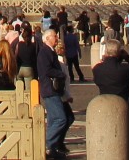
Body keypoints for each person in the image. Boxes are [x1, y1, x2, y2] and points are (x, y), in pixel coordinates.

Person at [36, 28, 73, 160]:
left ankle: (52, 149)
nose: (56, 38)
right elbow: (47, 70)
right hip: (50, 89)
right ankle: (48, 144)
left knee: (53, 119)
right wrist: (61, 74)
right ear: (46, 39)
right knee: (60, 119)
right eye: (54, 36)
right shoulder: (45, 52)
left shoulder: (49, 52)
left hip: (53, 89)